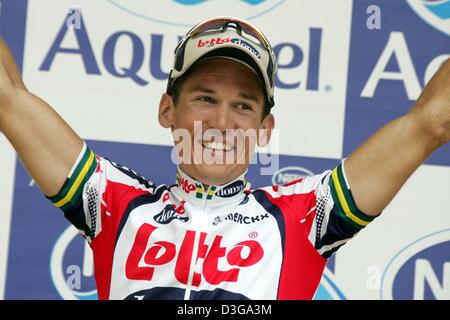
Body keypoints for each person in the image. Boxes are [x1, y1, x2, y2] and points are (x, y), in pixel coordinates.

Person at [0, 16, 449, 300]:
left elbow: (432, 122)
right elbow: (9, 98)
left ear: (265, 129)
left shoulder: (306, 215)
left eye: (244, 105)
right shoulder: (115, 202)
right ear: (167, 110)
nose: (221, 121)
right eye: (204, 97)